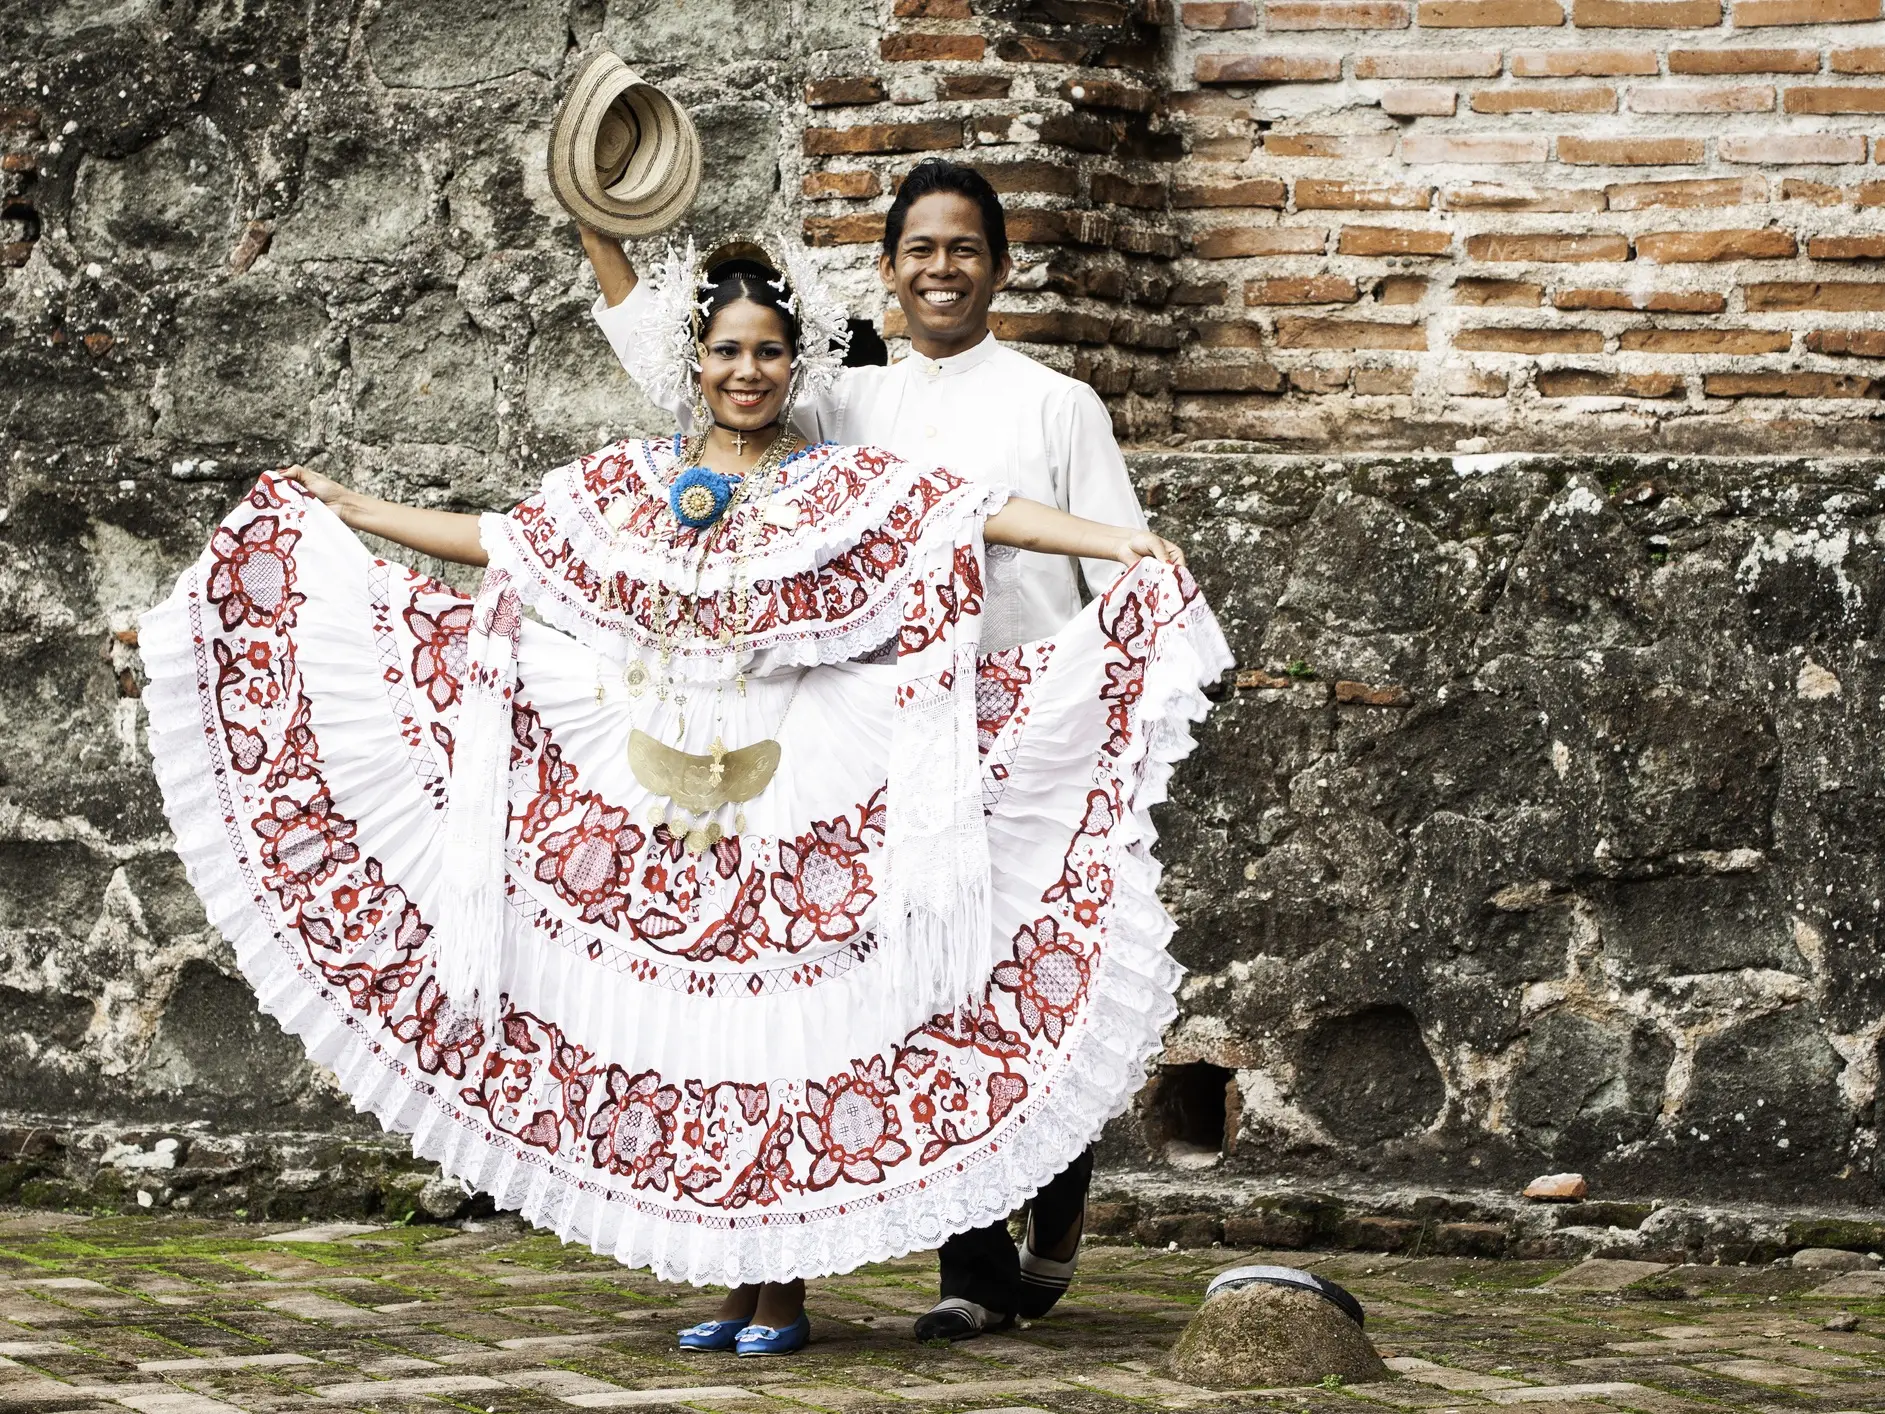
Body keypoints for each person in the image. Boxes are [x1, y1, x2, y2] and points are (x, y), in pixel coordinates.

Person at [140, 241, 1229, 1359]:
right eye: (726, 352)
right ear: (694, 362)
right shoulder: (627, 486)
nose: (746, 372)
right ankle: (727, 1277)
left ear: (796, 364)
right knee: (706, 1039)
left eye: (766, 352)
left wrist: (1119, 540)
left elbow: (980, 515)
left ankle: (785, 1290)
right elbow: (498, 541)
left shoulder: (840, 484)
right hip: (658, 781)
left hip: (802, 783)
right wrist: (351, 505)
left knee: (781, 1030)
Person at [583, 159, 1144, 1343]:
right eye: (919, 250)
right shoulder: (852, 399)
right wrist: (600, 222)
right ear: (885, 269)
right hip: (887, 733)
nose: (942, 269)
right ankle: (972, 1267)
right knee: (914, 985)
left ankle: (1053, 1186)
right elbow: (697, 366)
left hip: (1029, 725)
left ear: (999, 265)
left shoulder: (1058, 403)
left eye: (965, 248)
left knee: (1019, 971)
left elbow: (1117, 563)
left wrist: (1120, 724)